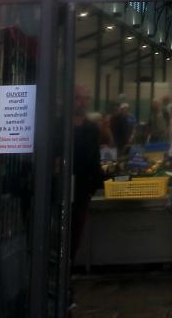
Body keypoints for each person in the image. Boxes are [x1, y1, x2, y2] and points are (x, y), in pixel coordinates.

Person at [70, 87, 103, 262]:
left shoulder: (91, 129)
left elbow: (95, 157)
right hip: (59, 189)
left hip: (82, 188)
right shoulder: (60, 126)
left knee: (75, 232)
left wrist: (94, 184)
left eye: (85, 98)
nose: (82, 102)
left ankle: (68, 270)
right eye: (78, 98)